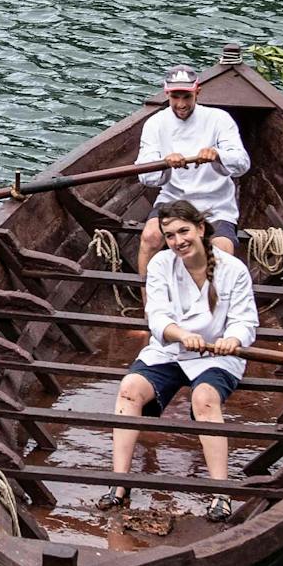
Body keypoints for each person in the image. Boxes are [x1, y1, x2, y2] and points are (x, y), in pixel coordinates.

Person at [99, 200, 260, 522]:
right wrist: (180, 334)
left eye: (183, 231)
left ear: (201, 229)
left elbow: (246, 321)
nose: (178, 241)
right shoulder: (161, 264)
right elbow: (156, 316)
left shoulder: (233, 269)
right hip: (170, 349)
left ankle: (220, 494)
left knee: (204, 400)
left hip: (217, 354)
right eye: (170, 235)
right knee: (130, 388)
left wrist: (233, 339)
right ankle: (119, 485)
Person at [134, 64, 251, 274]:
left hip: (216, 203)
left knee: (221, 252)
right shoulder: (155, 123)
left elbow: (242, 164)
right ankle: (149, 304)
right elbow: (145, 175)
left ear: (197, 92)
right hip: (173, 199)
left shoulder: (219, 119)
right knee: (150, 237)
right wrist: (165, 164)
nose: (181, 104)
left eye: (186, 97)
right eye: (175, 97)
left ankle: (212, 304)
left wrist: (218, 155)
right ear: (167, 94)